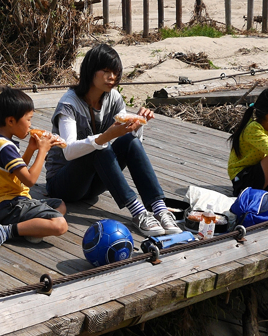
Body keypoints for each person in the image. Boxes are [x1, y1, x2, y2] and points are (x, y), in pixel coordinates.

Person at [45, 44, 180, 237]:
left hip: (93, 185)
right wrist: (103, 137)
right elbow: (68, 151)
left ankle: (159, 208)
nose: (112, 78)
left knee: (130, 143)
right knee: (100, 147)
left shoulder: (114, 98)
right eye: (106, 71)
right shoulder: (69, 104)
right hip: (63, 184)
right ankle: (138, 212)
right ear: (90, 71)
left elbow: (129, 139)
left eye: (115, 73)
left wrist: (137, 125)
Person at [0, 86, 68, 250]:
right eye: (28, 119)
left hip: (9, 204)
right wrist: (43, 151)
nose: (30, 125)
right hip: (10, 207)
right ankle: (5, 231)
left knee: (59, 205)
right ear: (11, 121)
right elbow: (29, 180)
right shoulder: (5, 148)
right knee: (60, 225)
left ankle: (29, 230)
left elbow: (16, 173)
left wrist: (31, 149)